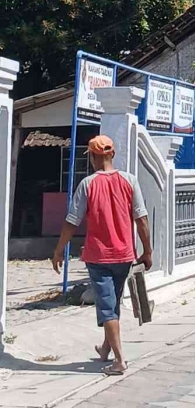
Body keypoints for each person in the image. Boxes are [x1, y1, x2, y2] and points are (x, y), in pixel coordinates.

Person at [52, 135, 152, 376]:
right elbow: (141, 219)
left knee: (107, 308)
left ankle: (119, 360)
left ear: (93, 157)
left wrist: (59, 250)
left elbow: (72, 221)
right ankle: (106, 348)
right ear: (112, 154)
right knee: (113, 302)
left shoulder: (87, 184)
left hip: (99, 258)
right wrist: (147, 251)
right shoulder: (130, 181)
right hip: (125, 256)